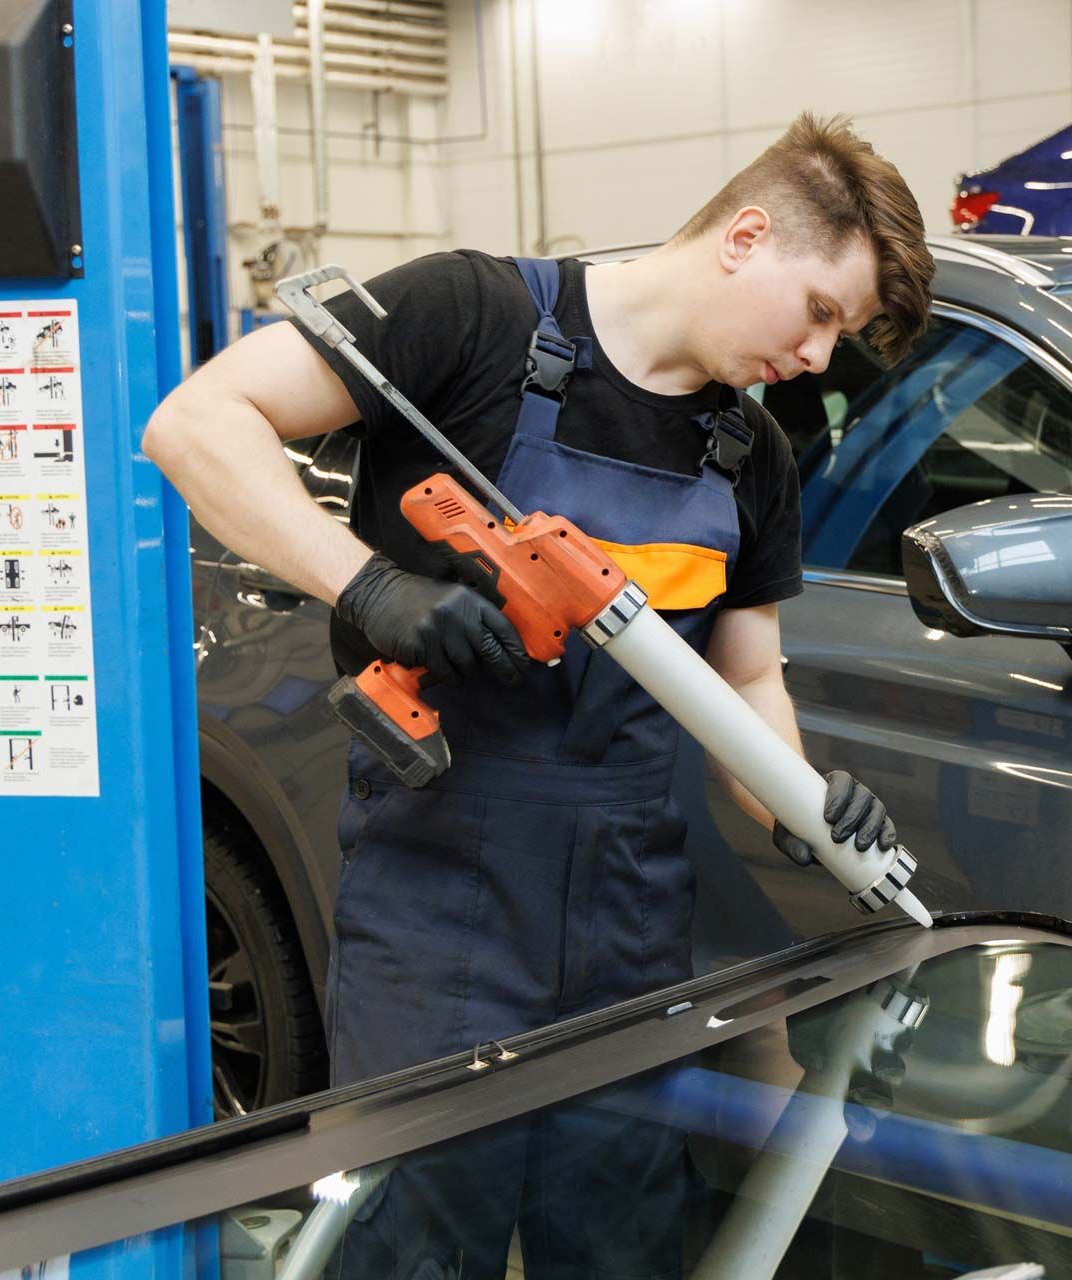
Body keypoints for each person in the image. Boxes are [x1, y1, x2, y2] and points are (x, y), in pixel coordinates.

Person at [143, 111, 935, 1275]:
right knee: (413, 1240)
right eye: (822, 312)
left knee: (617, 1244)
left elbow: (748, 676)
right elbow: (195, 422)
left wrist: (807, 806)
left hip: (628, 912)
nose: (820, 358)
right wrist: (369, 587)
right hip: (438, 895)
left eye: (843, 336)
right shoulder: (469, 315)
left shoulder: (749, 458)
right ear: (748, 236)